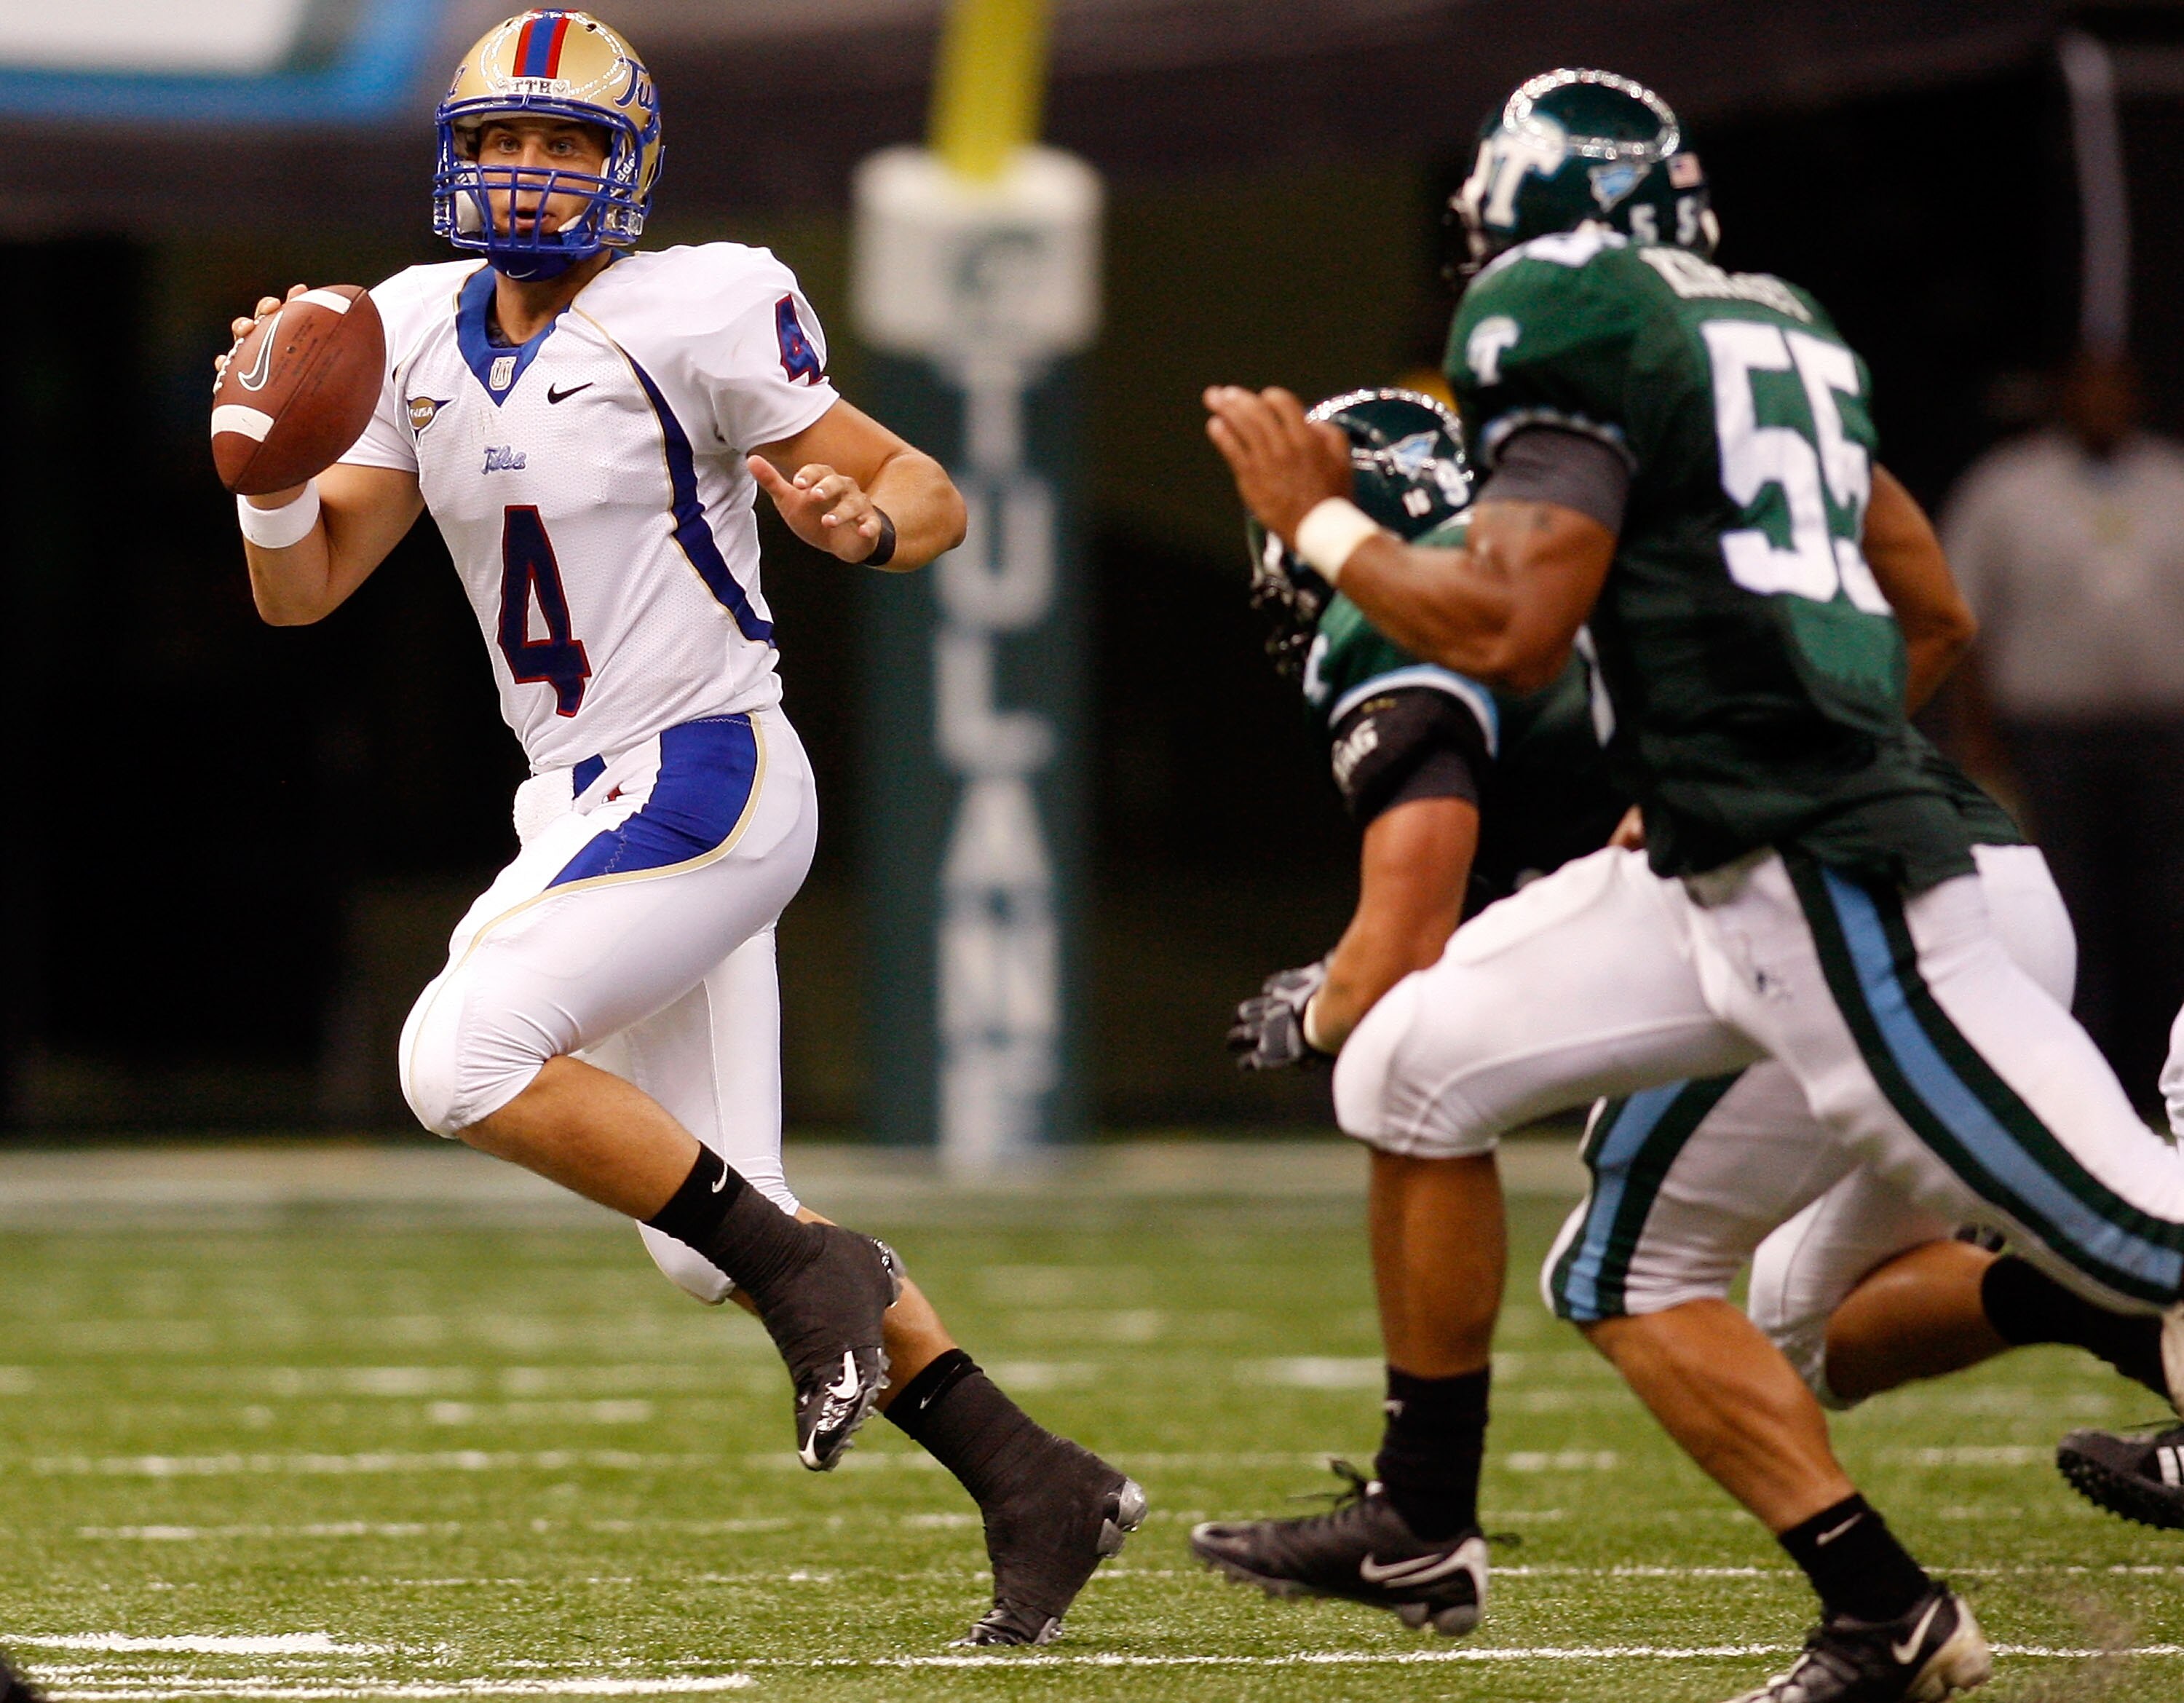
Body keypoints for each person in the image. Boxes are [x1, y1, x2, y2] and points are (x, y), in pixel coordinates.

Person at [1202, 66, 2184, 1703]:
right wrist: (1727, 737)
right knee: (1414, 1067)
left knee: (2138, 1232)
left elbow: (1513, 627)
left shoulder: (1560, 307)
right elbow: (1930, 607)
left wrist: (1318, 521)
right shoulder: (1775, 325)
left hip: (1828, 871)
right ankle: (1431, 1516)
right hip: (1720, 851)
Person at [219, 8, 1139, 1648]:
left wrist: (862, 527)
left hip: (706, 769)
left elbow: (928, 488)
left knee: (459, 1053)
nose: (527, 170)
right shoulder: (409, 324)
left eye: (562, 141)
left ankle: (816, 1272)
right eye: (501, 139)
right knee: (716, 1235)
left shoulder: (698, 303)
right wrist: (263, 468)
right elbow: (302, 592)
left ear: (626, 165)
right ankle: (1033, 1476)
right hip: (577, 797)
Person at [1944, 351, 2184, 1101]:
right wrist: (1976, 737)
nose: (2103, 403)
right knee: (2066, 908)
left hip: (2163, 738)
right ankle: (2075, 1086)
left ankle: (2157, 1081)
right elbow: (1962, 619)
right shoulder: (2006, 486)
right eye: (2089, 389)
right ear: (2064, 396)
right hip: (2050, 738)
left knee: (2163, 909)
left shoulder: (2174, 480)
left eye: (2117, 389)